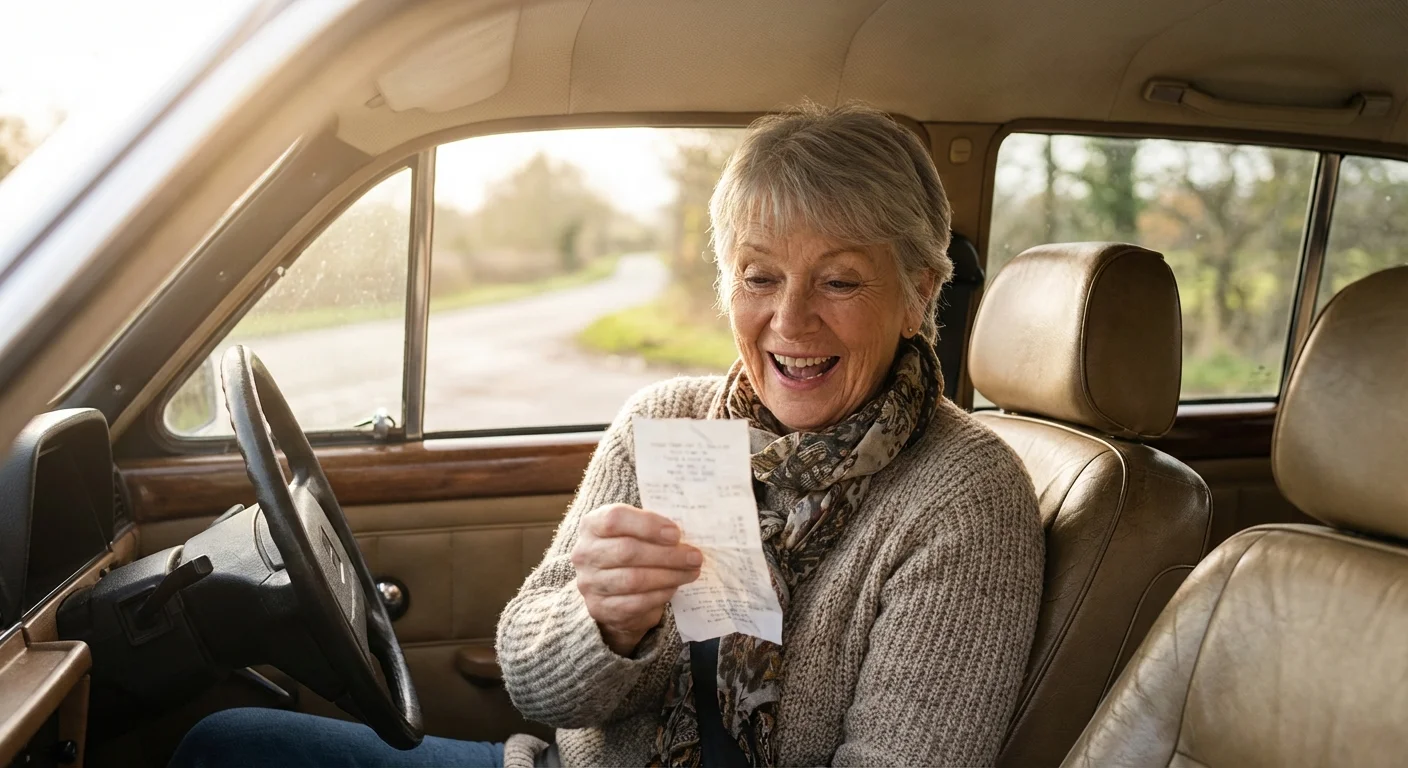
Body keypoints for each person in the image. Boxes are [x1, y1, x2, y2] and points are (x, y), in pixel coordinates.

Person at [170, 102, 1044, 768]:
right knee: (229, 743)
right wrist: (605, 627)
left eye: (841, 281)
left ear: (922, 293)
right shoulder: (663, 422)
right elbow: (527, 675)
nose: (789, 320)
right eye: (759, 276)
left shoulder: (966, 494)